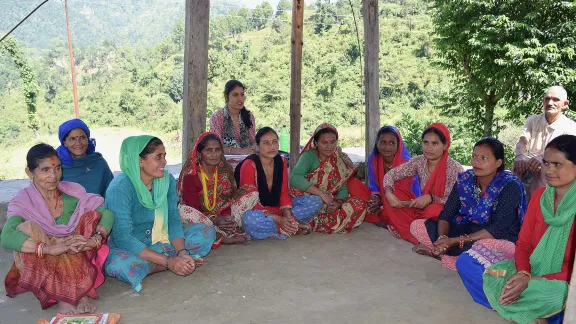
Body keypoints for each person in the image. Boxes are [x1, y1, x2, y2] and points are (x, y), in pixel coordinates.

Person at [459, 135, 576, 324]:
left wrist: (533, 281)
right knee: (466, 263)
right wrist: (523, 274)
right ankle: (531, 316)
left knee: (562, 295)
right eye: (546, 163)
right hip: (527, 269)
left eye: (557, 164)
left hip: (558, 281)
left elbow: (573, 270)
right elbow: (522, 244)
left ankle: (520, 310)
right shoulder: (540, 197)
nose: (549, 170)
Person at [2, 144, 113, 314]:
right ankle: (64, 297)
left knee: (89, 218)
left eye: (58, 168)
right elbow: (7, 236)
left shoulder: (73, 193)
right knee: (27, 228)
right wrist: (50, 248)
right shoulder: (23, 201)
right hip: (45, 255)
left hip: (77, 251)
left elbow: (106, 213)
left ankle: (80, 293)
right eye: (45, 170)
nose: (53, 176)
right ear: (29, 173)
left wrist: (95, 238)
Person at [104, 136, 215, 292]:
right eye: (158, 157)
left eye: (164, 156)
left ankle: (164, 262)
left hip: (163, 240)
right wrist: (169, 262)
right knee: (122, 265)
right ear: (140, 161)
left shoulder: (166, 180)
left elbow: (173, 220)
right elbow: (123, 238)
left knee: (206, 232)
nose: (164, 162)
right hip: (132, 246)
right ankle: (166, 262)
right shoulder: (120, 188)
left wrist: (182, 252)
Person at [410, 137, 527, 271]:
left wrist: (453, 241)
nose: (476, 161)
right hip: (466, 229)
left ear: (498, 162)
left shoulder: (510, 185)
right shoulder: (465, 179)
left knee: (502, 249)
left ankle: (447, 257)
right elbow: (447, 213)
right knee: (417, 226)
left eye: (484, 158)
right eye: (474, 156)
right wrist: (443, 237)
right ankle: (453, 257)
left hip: (495, 237)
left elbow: (498, 228)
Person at [383, 123, 464, 244]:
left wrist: (431, 198)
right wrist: (388, 192)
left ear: (445, 145)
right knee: (393, 196)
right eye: (425, 142)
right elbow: (391, 174)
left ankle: (416, 232)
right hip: (422, 207)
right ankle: (415, 231)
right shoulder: (419, 161)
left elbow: (458, 202)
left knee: (434, 210)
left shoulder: (454, 168)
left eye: (435, 143)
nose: (429, 148)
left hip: (443, 213)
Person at [238, 127, 324, 239]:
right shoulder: (249, 165)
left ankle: (287, 226)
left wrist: (287, 216)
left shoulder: (281, 161)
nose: (271, 146)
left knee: (316, 201)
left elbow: (283, 193)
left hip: (279, 210)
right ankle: (290, 227)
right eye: (266, 143)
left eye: (274, 142)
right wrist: (279, 220)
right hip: (258, 211)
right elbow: (249, 202)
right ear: (257, 147)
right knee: (248, 220)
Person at [289, 123, 367, 234]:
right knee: (317, 201)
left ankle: (310, 223)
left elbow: (343, 187)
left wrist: (337, 203)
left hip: (328, 203)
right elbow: (295, 178)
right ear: (316, 143)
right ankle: (296, 222)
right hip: (308, 200)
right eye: (324, 143)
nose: (329, 146)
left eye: (332, 142)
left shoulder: (340, 159)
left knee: (359, 203)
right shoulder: (308, 156)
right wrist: (321, 195)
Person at [177, 132, 252, 246]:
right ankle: (220, 235)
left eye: (217, 150)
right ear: (199, 153)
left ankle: (228, 228)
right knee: (183, 211)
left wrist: (226, 218)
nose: (214, 154)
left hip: (223, 213)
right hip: (202, 217)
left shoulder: (226, 170)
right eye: (209, 150)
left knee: (251, 191)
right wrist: (216, 220)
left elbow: (231, 198)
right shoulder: (191, 175)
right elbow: (193, 208)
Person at [348, 125, 421, 227]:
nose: (387, 147)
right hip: (382, 198)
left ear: (398, 145)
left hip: (401, 202)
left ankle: (372, 215)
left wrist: (382, 201)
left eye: (392, 143)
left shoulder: (406, 163)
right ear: (377, 143)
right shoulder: (373, 160)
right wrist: (375, 198)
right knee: (353, 183)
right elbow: (375, 186)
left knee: (391, 208)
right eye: (383, 142)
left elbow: (403, 193)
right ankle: (378, 215)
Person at [514, 86, 576, 198]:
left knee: (543, 170)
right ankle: (513, 209)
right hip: (532, 165)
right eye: (547, 99)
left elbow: (562, 156)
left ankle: (539, 208)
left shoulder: (570, 127)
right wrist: (519, 156)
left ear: (565, 104)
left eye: (556, 99)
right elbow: (522, 141)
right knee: (516, 168)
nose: (550, 102)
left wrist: (542, 159)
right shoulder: (532, 120)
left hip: (556, 169)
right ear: (543, 102)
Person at [56, 118, 114, 197]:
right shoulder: (58, 167)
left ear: (88, 139)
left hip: (99, 208)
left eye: (82, 137)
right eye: (72, 139)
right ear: (64, 143)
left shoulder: (99, 163)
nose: (78, 143)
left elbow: (112, 194)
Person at [209, 80, 258, 155]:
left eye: (242, 94)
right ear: (226, 97)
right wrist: (241, 151)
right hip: (224, 163)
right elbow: (216, 146)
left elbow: (252, 140)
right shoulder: (217, 117)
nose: (240, 99)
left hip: (247, 161)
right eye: (235, 95)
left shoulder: (249, 116)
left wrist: (255, 146)